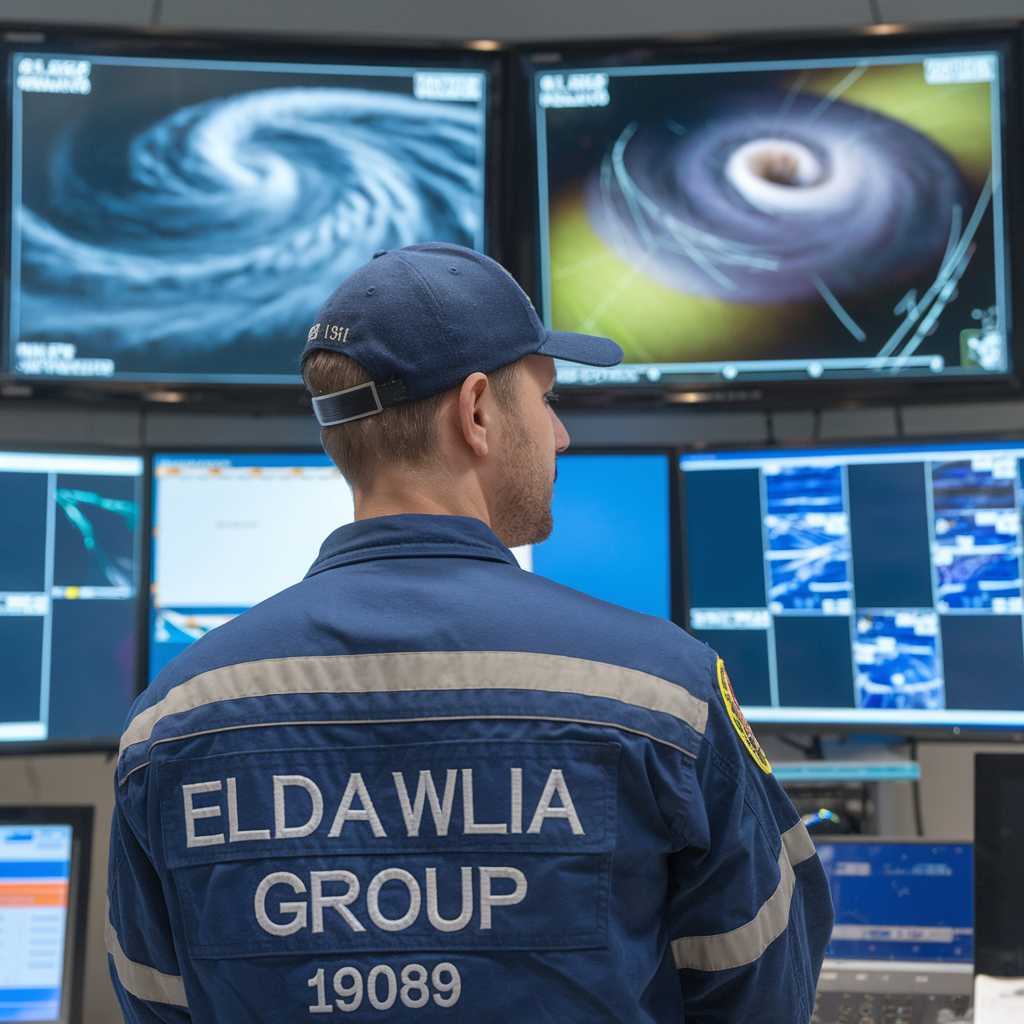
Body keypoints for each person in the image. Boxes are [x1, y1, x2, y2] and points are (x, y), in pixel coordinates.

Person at [106, 242, 833, 1024]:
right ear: (478, 411)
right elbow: (762, 985)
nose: (560, 437)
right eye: (546, 400)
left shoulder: (167, 725)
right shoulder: (665, 693)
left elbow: (159, 1003)